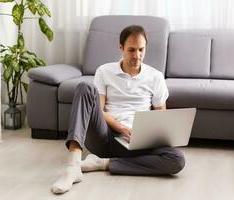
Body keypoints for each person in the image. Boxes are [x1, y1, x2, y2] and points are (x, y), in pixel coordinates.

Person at [51, 25, 185, 194]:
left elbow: (161, 117)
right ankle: (73, 167)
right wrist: (119, 127)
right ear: (121, 47)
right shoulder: (104, 71)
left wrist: (151, 135)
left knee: (177, 160)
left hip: (138, 141)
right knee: (84, 87)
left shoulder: (155, 77)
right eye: (131, 50)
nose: (137, 56)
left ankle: (104, 163)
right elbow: (97, 110)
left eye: (141, 50)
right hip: (106, 136)